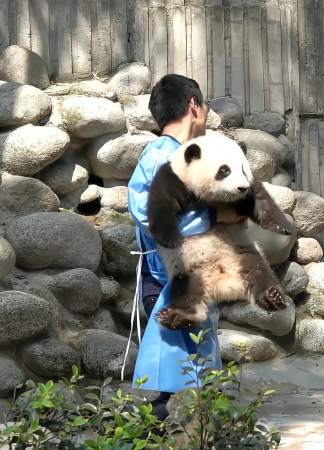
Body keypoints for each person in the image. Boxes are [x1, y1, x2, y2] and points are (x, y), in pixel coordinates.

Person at [126, 74, 227, 417]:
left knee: (190, 376)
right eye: (205, 105)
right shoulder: (164, 156)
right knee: (174, 385)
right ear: (193, 106)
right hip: (171, 280)